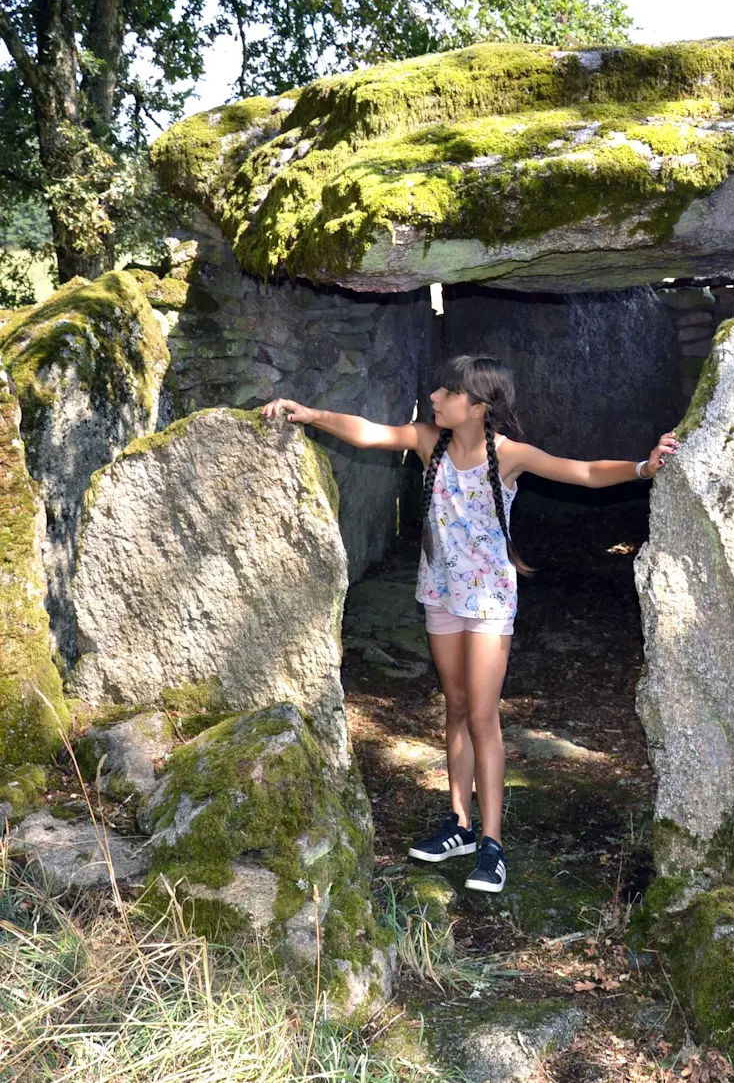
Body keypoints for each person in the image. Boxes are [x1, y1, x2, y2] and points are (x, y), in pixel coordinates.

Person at [261, 353, 677, 894]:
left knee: (483, 716)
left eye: (448, 392)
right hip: (439, 595)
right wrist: (309, 415)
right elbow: (366, 433)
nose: (435, 397)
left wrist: (643, 468)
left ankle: (492, 843)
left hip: (487, 603)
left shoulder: (507, 456)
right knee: (455, 707)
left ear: (477, 406)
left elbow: (584, 473)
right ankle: (458, 823)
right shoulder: (426, 442)